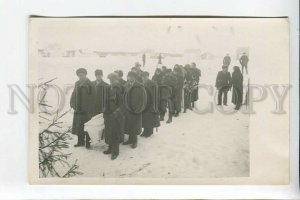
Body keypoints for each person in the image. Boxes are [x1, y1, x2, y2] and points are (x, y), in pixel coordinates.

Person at [70, 68, 93, 148]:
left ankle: (88, 143)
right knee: (79, 126)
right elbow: (74, 94)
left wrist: (90, 108)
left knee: (87, 126)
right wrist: (72, 103)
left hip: (87, 110)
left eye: (82, 75)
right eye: (79, 76)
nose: (80, 77)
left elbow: (93, 96)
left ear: (85, 75)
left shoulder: (90, 83)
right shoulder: (77, 83)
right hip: (78, 109)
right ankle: (80, 142)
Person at [103, 73, 124, 160]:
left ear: (117, 79)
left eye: (113, 79)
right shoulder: (108, 88)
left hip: (116, 114)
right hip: (108, 113)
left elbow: (123, 103)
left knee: (115, 132)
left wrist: (117, 112)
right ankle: (110, 148)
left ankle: (115, 151)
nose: (111, 81)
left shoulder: (120, 88)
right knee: (108, 131)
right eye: (110, 80)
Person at [123, 71, 147, 148]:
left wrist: (139, 109)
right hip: (128, 109)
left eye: (132, 77)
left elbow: (144, 98)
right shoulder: (126, 85)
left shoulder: (139, 86)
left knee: (134, 126)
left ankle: (134, 141)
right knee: (129, 125)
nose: (130, 78)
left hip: (136, 109)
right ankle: (130, 139)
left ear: (135, 78)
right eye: (129, 76)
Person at [141, 71, 160, 137]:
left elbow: (155, 93)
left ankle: (149, 131)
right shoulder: (143, 83)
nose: (144, 78)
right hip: (145, 103)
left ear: (147, 76)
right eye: (143, 77)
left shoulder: (152, 83)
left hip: (151, 103)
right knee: (145, 118)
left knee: (150, 117)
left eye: (145, 76)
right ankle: (145, 130)